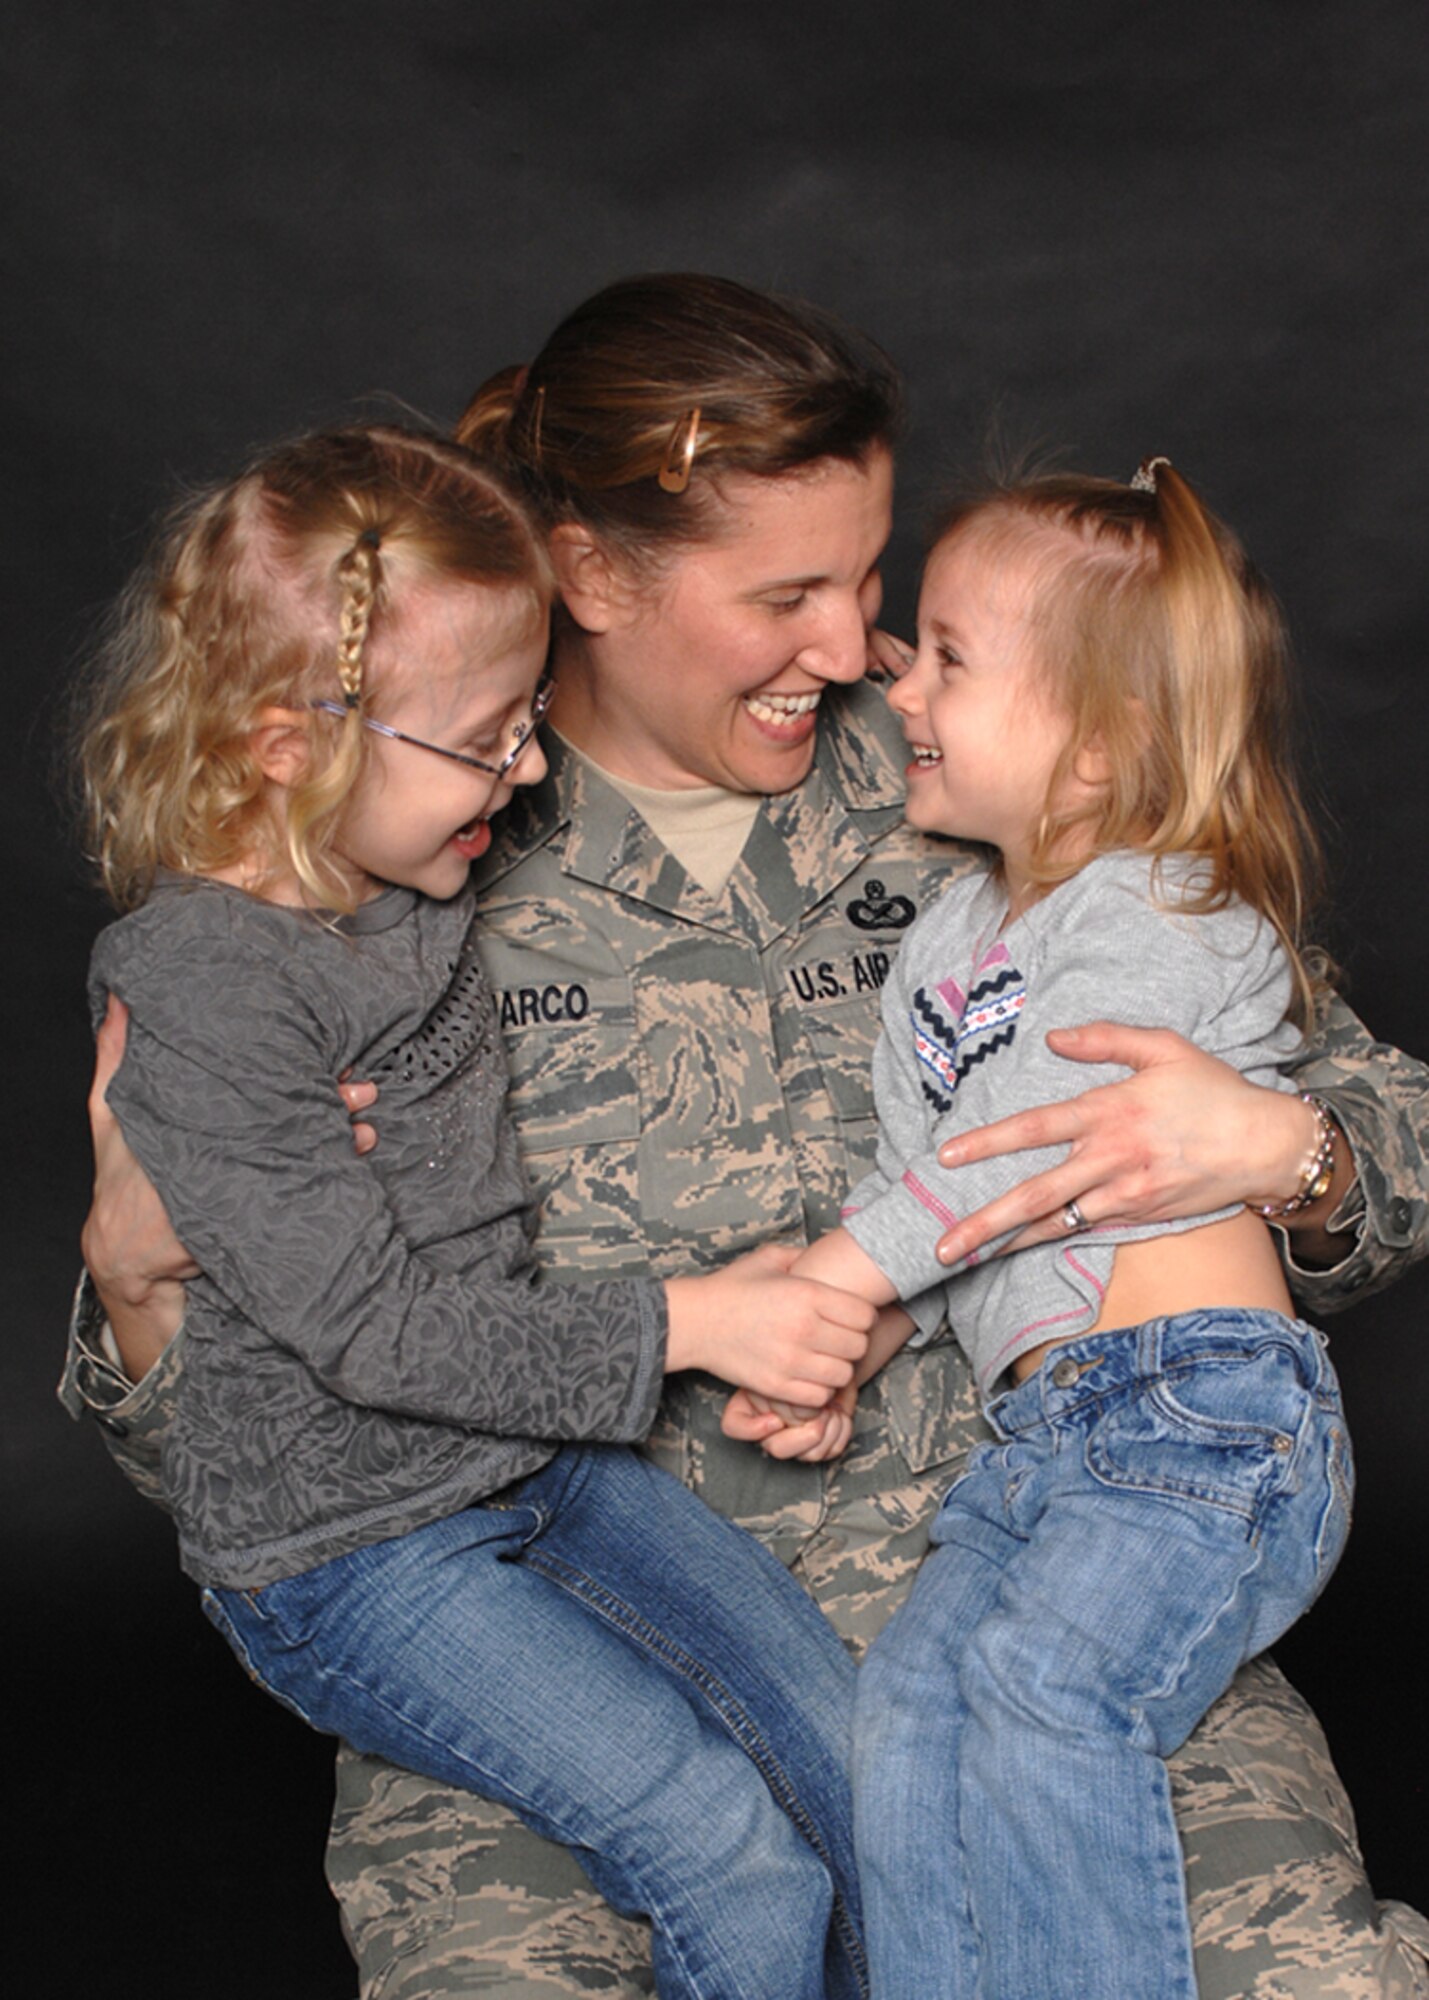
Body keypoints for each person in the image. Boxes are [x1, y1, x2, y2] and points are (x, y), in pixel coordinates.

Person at [67, 277, 1429, 1998]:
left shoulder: (985, 760)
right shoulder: (388, 845)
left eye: (872, 584)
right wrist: (132, 1290)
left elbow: (1384, 1134)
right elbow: (255, 1461)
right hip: (571, 1626)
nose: (857, 649)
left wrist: (1277, 1151)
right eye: (787, 596)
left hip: (1040, 1567)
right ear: (589, 575)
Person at [64, 421, 882, 2000]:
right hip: (349, 1548)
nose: (519, 777)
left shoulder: (394, 875)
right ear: (282, 739)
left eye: (524, 728)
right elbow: (372, 1328)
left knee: (842, 1748)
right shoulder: (201, 983)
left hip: (526, 1463)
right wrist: (698, 1323)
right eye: (483, 741)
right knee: (724, 1846)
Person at [730, 459, 1358, 1997]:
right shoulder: (945, 939)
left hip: (1196, 1414)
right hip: (1041, 1448)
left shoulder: (1153, 906)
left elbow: (1023, 1155)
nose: (896, 689)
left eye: (947, 656)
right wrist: (845, 1335)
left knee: (1042, 1693)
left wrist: (835, 1267)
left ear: (1098, 748)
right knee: (911, 1731)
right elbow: (919, 1192)